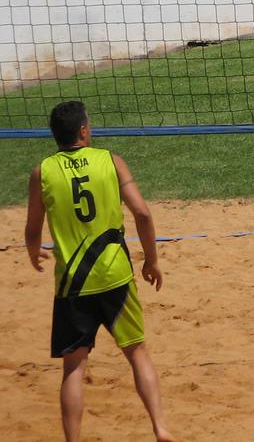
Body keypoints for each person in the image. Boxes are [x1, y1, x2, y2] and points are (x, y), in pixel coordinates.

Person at [24, 101, 175, 442]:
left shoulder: (42, 172)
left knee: (74, 368)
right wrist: (151, 260)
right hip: (116, 276)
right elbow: (143, 214)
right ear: (83, 131)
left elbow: (33, 230)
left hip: (73, 283)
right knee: (137, 352)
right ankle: (160, 427)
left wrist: (34, 252)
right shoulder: (111, 161)